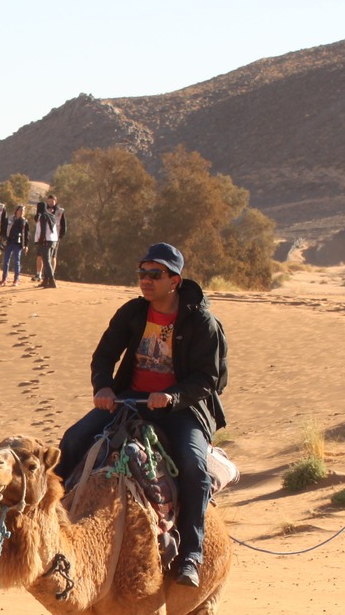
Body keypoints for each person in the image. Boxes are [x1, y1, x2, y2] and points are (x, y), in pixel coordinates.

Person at [55, 242, 228, 587]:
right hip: (130, 401)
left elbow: (209, 378)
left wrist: (172, 396)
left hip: (182, 408)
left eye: (155, 274)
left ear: (175, 280)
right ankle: (50, 533)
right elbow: (103, 356)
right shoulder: (132, 313)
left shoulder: (201, 322)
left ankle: (192, 553)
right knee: (72, 441)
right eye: (142, 273)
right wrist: (103, 388)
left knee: (193, 467)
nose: (146, 280)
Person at [30, 194, 66, 287]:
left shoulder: (43, 216)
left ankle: (52, 281)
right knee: (48, 260)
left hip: (46, 240)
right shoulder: (50, 215)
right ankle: (46, 281)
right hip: (53, 240)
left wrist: (41, 240)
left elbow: (43, 229)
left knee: (47, 261)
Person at [1, 204, 28, 286]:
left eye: (23, 211)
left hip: (18, 244)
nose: (22, 212)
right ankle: (4, 279)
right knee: (6, 260)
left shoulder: (24, 222)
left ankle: (16, 280)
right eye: (20, 210)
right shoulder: (9, 219)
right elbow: (4, 229)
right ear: (16, 210)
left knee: (17, 261)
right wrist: (3, 239)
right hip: (9, 242)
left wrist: (26, 245)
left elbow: (26, 234)